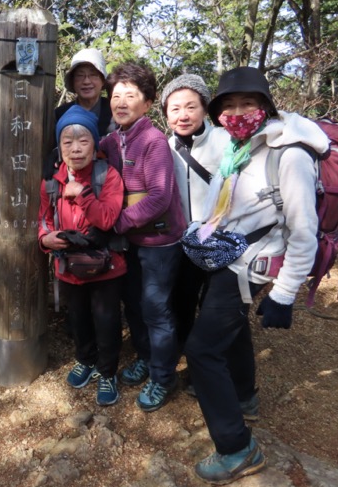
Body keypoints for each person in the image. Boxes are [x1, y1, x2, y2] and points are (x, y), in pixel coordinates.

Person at [183, 66, 329, 485]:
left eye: (248, 103)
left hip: (254, 263)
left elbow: (305, 233)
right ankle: (244, 396)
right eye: (228, 105)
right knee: (233, 331)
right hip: (230, 256)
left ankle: (236, 448)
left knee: (202, 349)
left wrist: (284, 295)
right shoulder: (239, 147)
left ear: (265, 106)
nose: (237, 111)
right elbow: (229, 207)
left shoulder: (291, 153)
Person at [99, 61, 186, 412]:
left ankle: (164, 377)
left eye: (130, 96)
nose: (120, 102)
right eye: (116, 95)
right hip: (131, 243)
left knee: (155, 310)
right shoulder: (111, 140)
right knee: (134, 305)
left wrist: (116, 223)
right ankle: (147, 359)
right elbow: (85, 155)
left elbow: (159, 197)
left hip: (160, 244)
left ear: (147, 103)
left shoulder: (152, 141)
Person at [38, 106, 126, 406]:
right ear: (59, 146)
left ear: (95, 143)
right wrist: (45, 239)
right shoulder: (51, 182)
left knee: (106, 320)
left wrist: (82, 194)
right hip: (68, 267)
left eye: (83, 140)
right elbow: (44, 218)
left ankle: (108, 372)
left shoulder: (108, 175)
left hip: (106, 265)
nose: (75, 148)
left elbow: (108, 219)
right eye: (67, 141)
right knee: (77, 319)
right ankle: (85, 361)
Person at [162, 75, 230, 351]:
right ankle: (184, 351)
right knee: (183, 299)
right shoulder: (164, 148)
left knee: (214, 306)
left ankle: (210, 358)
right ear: (166, 113)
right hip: (183, 240)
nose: (183, 115)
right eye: (175, 109)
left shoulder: (224, 141)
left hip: (219, 237)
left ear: (205, 109)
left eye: (191, 107)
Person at [55, 48, 115, 135]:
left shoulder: (114, 110)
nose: (86, 81)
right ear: (73, 81)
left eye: (93, 75)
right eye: (80, 75)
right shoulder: (60, 114)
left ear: (103, 80)